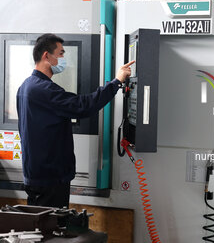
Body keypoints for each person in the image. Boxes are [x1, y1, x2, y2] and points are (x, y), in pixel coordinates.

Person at [16, 33, 134, 208]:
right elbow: (82, 106)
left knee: (39, 226)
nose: (64, 59)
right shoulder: (43, 89)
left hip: (38, 173)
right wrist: (116, 82)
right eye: (61, 53)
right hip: (50, 177)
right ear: (46, 56)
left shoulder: (26, 86)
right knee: (51, 229)